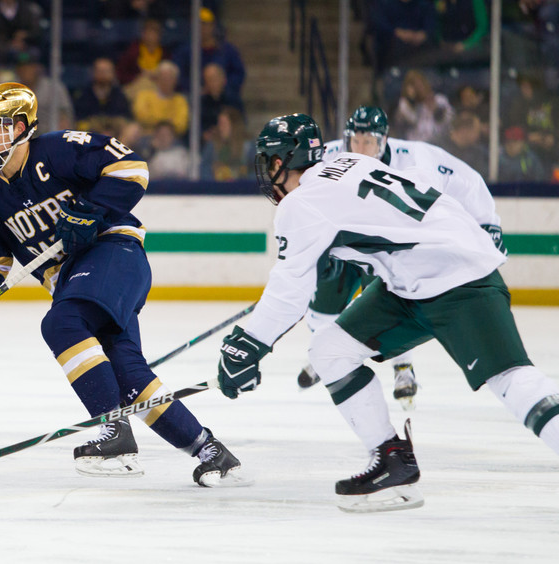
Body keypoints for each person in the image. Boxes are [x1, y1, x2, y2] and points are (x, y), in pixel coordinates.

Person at [216, 113, 559, 513]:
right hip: (412, 280)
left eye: (270, 161)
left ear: (283, 161)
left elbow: (290, 291)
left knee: (511, 380)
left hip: (458, 278)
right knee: (330, 350)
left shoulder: (302, 204)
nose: (269, 172)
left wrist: (248, 344)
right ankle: (392, 461)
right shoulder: (352, 163)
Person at [0, 82, 250, 487]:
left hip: (114, 253)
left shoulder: (58, 148)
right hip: (72, 280)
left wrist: (91, 211)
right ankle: (210, 450)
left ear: (20, 127)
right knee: (127, 376)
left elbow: (132, 167)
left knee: (61, 324)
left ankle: (114, 432)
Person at [301, 106, 504, 410]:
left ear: (384, 141)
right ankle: (323, 353)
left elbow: (467, 180)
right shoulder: (330, 156)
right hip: (343, 242)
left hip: (388, 245)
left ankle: (403, 367)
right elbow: (300, 192)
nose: (361, 149)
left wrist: (488, 223)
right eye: (355, 142)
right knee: (325, 296)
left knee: (391, 290)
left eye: (368, 142)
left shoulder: (417, 158)